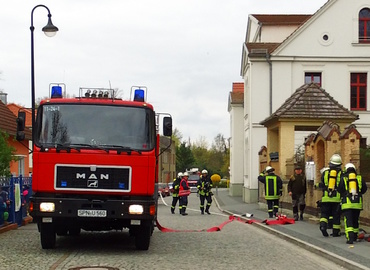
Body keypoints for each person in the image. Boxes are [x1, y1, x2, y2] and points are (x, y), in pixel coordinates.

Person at [338, 163, 367, 244]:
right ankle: (355, 236)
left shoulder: (343, 178)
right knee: (355, 220)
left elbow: (340, 189)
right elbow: (364, 189)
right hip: (357, 204)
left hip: (347, 203)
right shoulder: (359, 178)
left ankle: (350, 238)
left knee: (348, 220)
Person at [317, 154, 343, 237]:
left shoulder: (325, 173)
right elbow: (343, 186)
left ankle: (323, 226)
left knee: (324, 214)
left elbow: (321, 184)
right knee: (336, 216)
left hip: (326, 198)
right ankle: (336, 232)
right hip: (337, 199)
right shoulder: (341, 173)